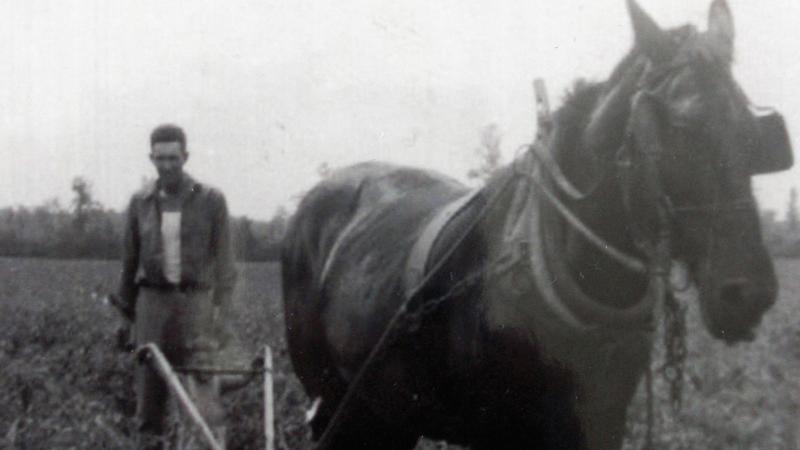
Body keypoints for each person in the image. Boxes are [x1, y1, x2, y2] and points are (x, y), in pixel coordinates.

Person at [117, 123, 237, 449]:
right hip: (151, 305)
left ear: (185, 156)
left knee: (204, 400)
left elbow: (226, 264)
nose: (167, 165)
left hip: (195, 305)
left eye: (173, 158)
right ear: (151, 158)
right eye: (160, 158)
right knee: (149, 400)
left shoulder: (211, 200)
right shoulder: (139, 202)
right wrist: (125, 318)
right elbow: (129, 263)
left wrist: (223, 316)